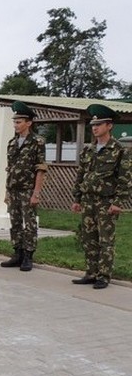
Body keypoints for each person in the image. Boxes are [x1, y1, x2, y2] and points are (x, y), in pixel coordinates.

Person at [71, 104, 131, 289]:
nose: (95, 127)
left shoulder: (120, 150)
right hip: (88, 201)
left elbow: (125, 178)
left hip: (106, 202)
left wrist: (118, 202)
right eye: (93, 125)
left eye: (99, 124)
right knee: (88, 238)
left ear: (109, 126)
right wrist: (77, 198)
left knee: (105, 240)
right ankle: (91, 272)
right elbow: (81, 175)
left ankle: (104, 276)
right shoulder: (88, 150)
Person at [0, 101, 47, 272]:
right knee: (15, 223)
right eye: (14, 122)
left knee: (30, 224)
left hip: (28, 190)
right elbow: (10, 168)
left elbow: (40, 169)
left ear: (29, 123)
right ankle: (17, 253)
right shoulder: (12, 143)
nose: (16, 125)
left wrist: (36, 193)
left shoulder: (37, 142)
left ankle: (28, 255)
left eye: (19, 122)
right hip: (13, 189)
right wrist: (7, 191)